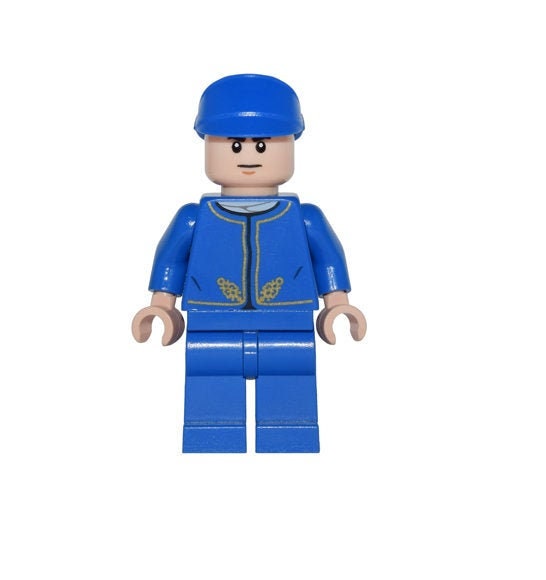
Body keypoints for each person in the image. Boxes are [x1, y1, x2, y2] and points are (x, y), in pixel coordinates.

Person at [132, 74, 366, 453]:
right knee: (210, 396)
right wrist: (162, 307)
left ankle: (290, 441)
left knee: (291, 395)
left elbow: (328, 259)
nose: (248, 155)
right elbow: (171, 260)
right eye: (235, 144)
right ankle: (212, 442)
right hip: (211, 324)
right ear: (207, 144)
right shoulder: (194, 218)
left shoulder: (305, 217)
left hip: (289, 324)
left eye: (262, 144)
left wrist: (337, 305)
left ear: (291, 144)